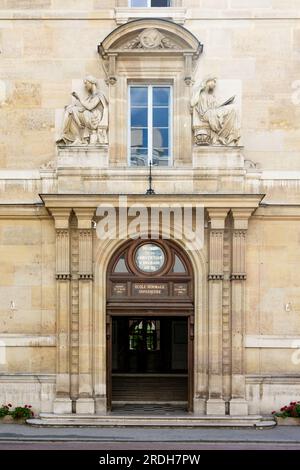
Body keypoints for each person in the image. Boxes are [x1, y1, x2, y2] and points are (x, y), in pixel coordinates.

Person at [56, 75, 108, 145]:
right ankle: (76, 138)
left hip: (94, 120)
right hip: (88, 116)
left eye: (86, 83)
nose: (85, 85)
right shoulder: (90, 96)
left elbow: (89, 107)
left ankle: (65, 134)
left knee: (70, 110)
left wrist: (79, 98)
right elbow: (85, 107)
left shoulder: (99, 94)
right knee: (70, 110)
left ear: (91, 82)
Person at [191, 76, 240, 146]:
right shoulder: (200, 93)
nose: (214, 85)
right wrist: (200, 89)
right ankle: (223, 136)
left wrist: (226, 103)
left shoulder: (211, 96)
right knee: (232, 110)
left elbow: (216, 106)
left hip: (213, 112)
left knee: (233, 110)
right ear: (207, 82)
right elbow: (192, 103)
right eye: (213, 82)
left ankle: (228, 136)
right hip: (206, 114)